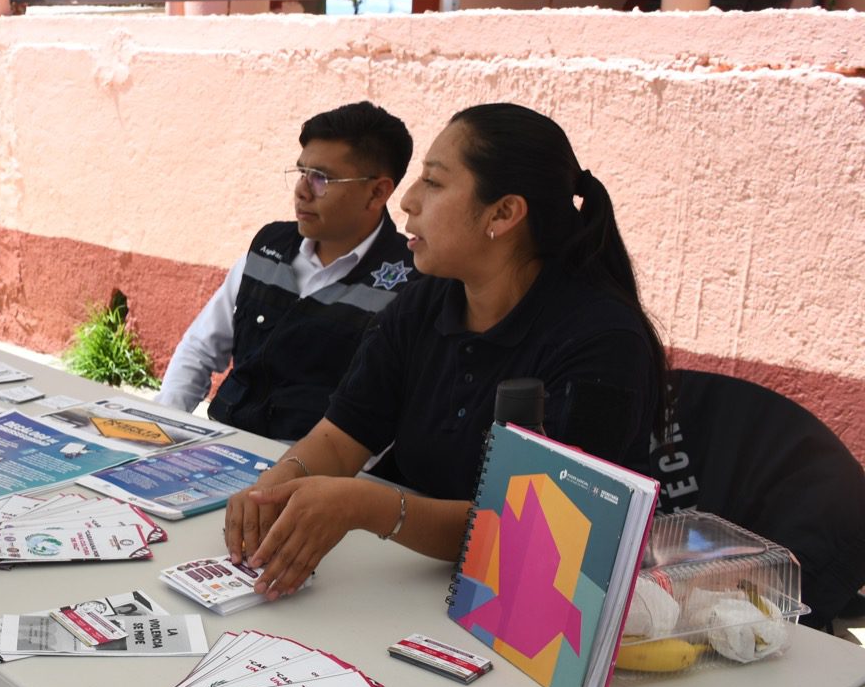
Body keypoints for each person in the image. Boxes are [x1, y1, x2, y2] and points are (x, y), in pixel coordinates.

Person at [225, 103, 666, 599]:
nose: (408, 201)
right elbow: (341, 437)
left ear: (503, 213)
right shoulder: (426, 300)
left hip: (535, 602)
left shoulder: (600, 342)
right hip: (415, 581)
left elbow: (542, 530)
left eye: (433, 183)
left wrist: (367, 505)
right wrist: (274, 488)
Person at [156, 101, 415, 440]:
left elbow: (393, 416)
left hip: (313, 474)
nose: (302, 190)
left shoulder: (409, 284)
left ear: (377, 192)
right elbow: (201, 347)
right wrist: (163, 427)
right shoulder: (269, 248)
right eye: (301, 172)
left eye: (322, 178)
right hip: (223, 442)